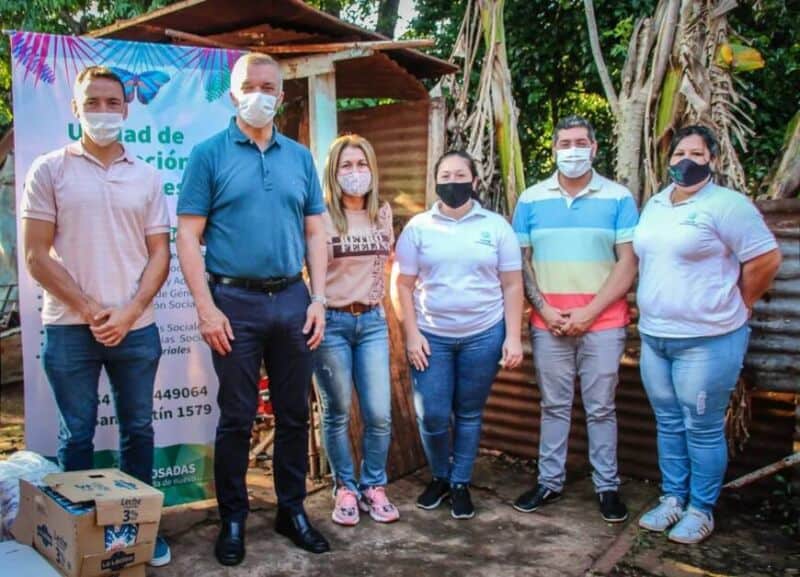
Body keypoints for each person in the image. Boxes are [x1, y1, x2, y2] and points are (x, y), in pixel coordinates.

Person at [176, 52, 330, 565]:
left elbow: (315, 231)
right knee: (237, 417)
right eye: (251, 85)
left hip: (292, 298)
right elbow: (188, 235)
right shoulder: (208, 154)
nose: (260, 94)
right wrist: (206, 308)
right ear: (233, 92)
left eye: (270, 86)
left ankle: (292, 511)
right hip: (233, 302)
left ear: (282, 96)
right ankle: (234, 518)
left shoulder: (300, 157)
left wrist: (319, 299)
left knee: (293, 414)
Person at [21, 65, 172, 566]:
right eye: (93, 102)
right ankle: (80, 537)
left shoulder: (147, 176)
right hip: (69, 328)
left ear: (126, 109)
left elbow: (160, 254)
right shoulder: (49, 169)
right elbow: (36, 256)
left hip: (137, 328)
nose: (103, 111)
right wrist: (91, 310)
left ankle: (138, 533)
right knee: (77, 436)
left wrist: (128, 313)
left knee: (138, 431)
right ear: (76, 109)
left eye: (112, 102)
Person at [633, 125, 781, 544]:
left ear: (712, 160)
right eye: (680, 152)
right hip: (656, 336)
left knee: (701, 426)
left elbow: (766, 260)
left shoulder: (728, 205)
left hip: (708, 339)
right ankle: (672, 499)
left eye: (697, 154)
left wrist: (740, 303)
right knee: (667, 422)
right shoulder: (657, 205)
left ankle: (701, 508)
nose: (686, 160)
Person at [511, 115, 639, 523]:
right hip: (548, 325)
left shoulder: (618, 198)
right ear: (553, 150)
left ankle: (607, 487)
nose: (572, 151)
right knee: (554, 405)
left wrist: (589, 312)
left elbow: (628, 263)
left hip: (603, 323)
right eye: (564, 144)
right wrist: (545, 310)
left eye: (580, 142)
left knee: (601, 408)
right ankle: (549, 481)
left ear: (595, 148)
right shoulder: (531, 200)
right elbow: (520, 262)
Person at [392, 150, 524, 520]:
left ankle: (461, 483)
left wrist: (513, 337)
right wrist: (412, 334)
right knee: (432, 413)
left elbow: (513, 285)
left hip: (483, 334)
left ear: (474, 182)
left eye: (460, 175)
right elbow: (402, 285)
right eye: (445, 176)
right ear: (435, 182)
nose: (453, 182)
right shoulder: (419, 228)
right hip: (431, 336)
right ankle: (439, 476)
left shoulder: (495, 227)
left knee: (468, 412)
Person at [312, 134, 399, 526]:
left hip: (373, 323)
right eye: (346, 166)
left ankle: (373, 486)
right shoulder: (320, 216)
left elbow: (384, 268)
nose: (355, 173)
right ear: (333, 172)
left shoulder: (383, 213)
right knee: (337, 411)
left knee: (379, 413)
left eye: (361, 164)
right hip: (331, 323)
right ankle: (344, 487)